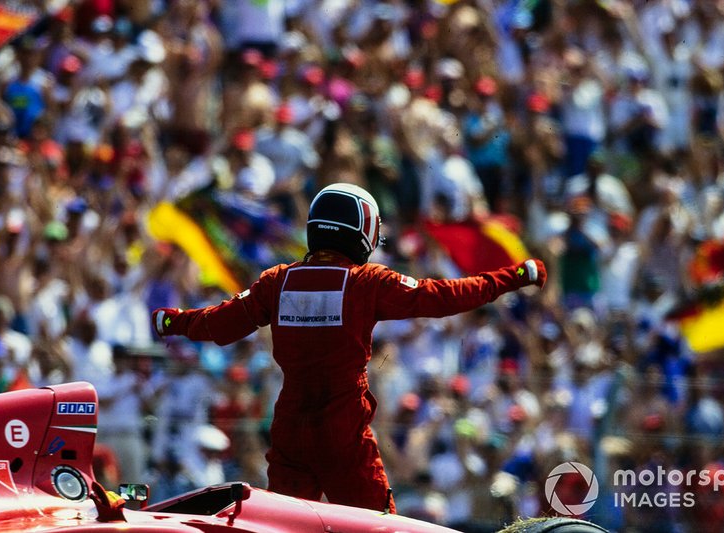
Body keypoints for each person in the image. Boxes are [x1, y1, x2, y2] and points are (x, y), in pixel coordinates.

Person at [151, 183, 546, 513]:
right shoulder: (365, 282)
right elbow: (443, 296)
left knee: (284, 524)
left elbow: (219, 323)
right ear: (361, 229)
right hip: (344, 432)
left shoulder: (277, 281)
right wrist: (511, 277)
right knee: (377, 526)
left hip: (289, 430)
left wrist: (174, 321)